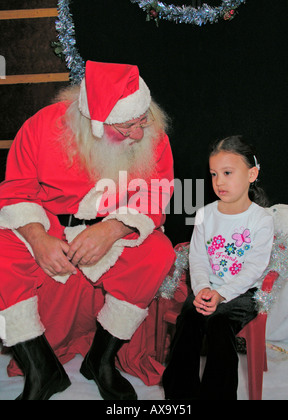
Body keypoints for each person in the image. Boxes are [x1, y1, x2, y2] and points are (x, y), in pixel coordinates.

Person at [0, 61, 175, 400]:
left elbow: (157, 192)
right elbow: (16, 192)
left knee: (158, 252)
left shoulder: (149, 133)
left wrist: (112, 229)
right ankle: (41, 370)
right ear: (95, 125)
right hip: (49, 226)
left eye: (143, 120)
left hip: (114, 229)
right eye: (126, 127)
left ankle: (101, 361)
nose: (139, 133)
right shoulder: (41, 127)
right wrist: (38, 240)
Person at [162, 136, 274, 400]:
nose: (219, 181)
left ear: (252, 174)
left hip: (242, 293)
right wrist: (201, 288)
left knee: (219, 322)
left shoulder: (262, 219)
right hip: (207, 288)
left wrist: (223, 294)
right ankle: (180, 395)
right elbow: (198, 259)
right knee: (189, 318)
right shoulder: (205, 214)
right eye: (214, 174)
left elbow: (255, 268)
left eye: (227, 173)